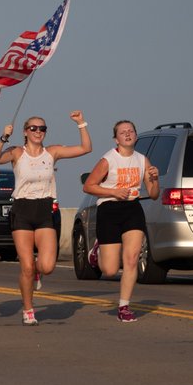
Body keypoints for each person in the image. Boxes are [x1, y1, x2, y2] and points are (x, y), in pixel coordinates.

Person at [0, 110, 91, 325]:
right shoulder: (17, 152)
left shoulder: (52, 152)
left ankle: (37, 273)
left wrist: (81, 124)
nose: (38, 132)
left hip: (45, 209)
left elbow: (85, 148)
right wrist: (3, 137)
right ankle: (28, 309)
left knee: (47, 266)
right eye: (33, 128)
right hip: (22, 210)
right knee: (26, 266)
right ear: (25, 132)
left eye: (42, 128)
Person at [80, 120, 160, 322]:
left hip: (132, 209)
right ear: (116, 138)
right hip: (109, 209)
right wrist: (113, 191)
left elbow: (153, 194)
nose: (127, 134)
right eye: (122, 132)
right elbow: (89, 186)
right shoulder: (109, 159)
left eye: (131, 131)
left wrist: (154, 178)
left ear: (135, 135)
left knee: (132, 259)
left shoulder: (142, 160)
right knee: (109, 270)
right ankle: (96, 251)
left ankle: (124, 306)